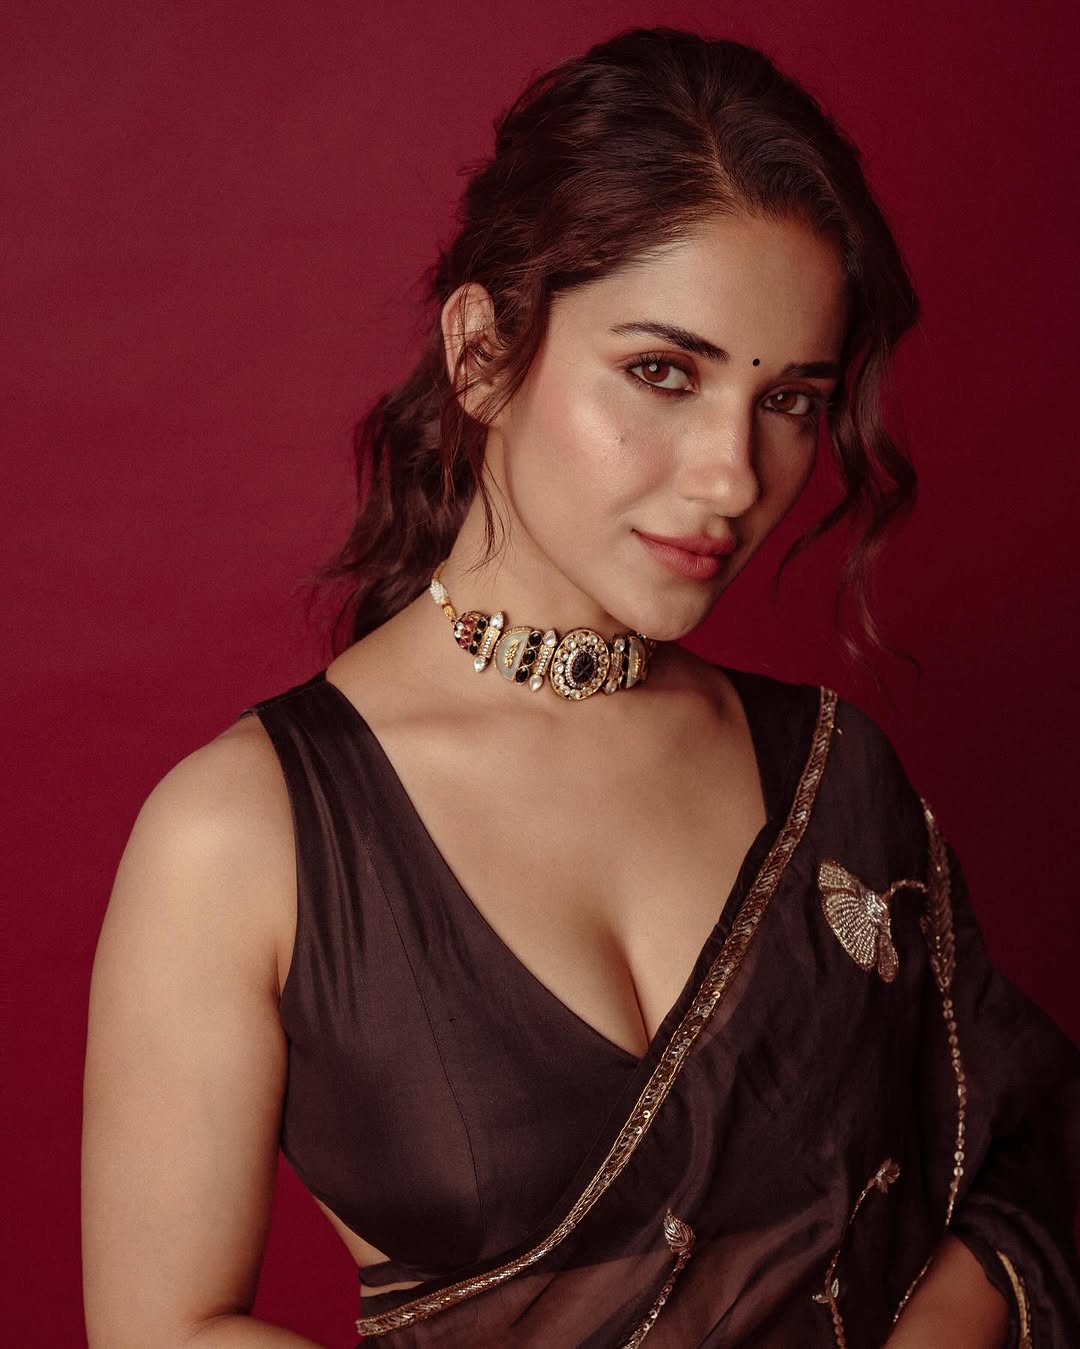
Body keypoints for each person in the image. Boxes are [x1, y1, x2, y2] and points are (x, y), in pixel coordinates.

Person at [81, 26, 1079, 1349]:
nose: (732, 475)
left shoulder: (836, 778)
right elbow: (166, 1330)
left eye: (790, 400)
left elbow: (1033, 1154)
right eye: (663, 373)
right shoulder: (245, 834)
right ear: (482, 352)